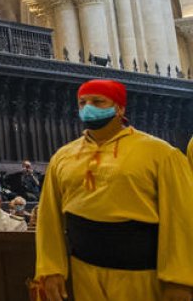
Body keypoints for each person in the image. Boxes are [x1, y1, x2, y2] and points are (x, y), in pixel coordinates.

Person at [34, 79, 193, 301]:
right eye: (82, 102)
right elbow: (49, 217)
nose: (88, 107)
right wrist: (50, 269)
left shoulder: (161, 154)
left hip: (140, 273)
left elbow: (181, 218)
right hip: (84, 270)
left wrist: (180, 280)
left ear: (120, 108)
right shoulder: (62, 156)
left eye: (98, 101)